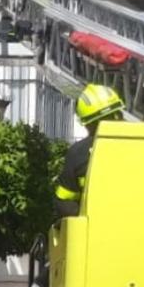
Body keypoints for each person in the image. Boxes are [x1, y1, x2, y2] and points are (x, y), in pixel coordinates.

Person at [53, 84, 125, 217]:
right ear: (119, 113)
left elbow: (64, 202)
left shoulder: (78, 154)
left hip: (96, 234)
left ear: (87, 124)